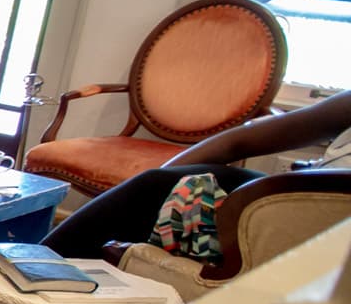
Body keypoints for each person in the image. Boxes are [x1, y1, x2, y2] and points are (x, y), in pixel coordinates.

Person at [41, 87, 351, 258]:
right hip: (290, 198)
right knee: (161, 186)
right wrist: (159, 185)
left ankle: (25, 283)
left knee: (156, 191)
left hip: (316, 229)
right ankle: (35, 279)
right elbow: (240, 139)